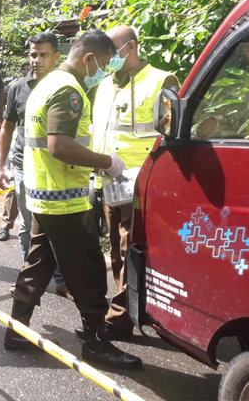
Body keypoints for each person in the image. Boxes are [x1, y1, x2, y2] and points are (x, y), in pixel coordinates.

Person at [2, 29, 142, 370]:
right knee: (90, 271)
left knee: (37, 266)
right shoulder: (68, 89)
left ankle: (16, 331)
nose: (105, 71)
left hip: (43, 197)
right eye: (104, 64)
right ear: (89, 58)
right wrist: (108, 162)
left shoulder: (44, 84)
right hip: (65, 201)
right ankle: (96, 344)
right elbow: (59, 145)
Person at [87, 25, 179, 340]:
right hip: (109, 182)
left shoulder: (161, 81)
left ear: (131, 47)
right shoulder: (104, 86)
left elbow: (172, 133)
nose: (108, 61)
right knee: (116, 250)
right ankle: (126, 311)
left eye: (112, 53)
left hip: (142, 183)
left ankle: (119, 316)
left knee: (130, 250)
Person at [0, 32, 71, 300]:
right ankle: (32, 279)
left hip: (56, 170)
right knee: (28, 226)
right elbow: (7, 127)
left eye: (43, 54)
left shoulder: (66, 86)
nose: (36, 59)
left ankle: (62, 280)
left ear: (56, 57)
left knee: (56, 226)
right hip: (23, 168)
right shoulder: (18, 87)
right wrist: (0, 166)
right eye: (32, 54)